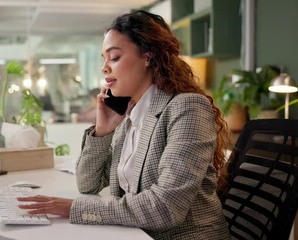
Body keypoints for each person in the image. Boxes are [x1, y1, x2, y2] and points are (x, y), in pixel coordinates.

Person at [17, 10, 230, 240]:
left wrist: (74, 208)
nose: (104, 68)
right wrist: (102, 131)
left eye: (115, 57)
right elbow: (87, 184)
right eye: (104, 59)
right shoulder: (130, 117)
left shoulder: (187, 108)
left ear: (148, 57)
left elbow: (166, 208)